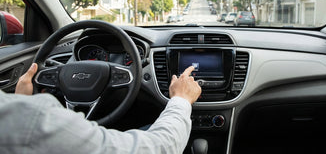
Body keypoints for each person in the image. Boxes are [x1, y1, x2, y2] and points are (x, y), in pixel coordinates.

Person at [0, 63, 202, 154]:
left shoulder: (19, 119)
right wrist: (182, 99)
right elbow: (161, 147)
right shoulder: (33, 121)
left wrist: (21, 102)